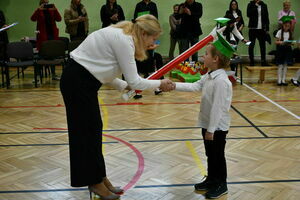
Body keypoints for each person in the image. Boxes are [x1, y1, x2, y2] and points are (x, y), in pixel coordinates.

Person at [60, 14, 174, 200]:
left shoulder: (124, 34)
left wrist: (124, 85)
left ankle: (99, 177)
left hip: (83, 82)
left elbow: (102, 68)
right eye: (153, 39)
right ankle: (95, 183)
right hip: (77, 83)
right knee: (85, 134)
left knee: (94, 129)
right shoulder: (125, 39)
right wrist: (159, 83)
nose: (153, 43)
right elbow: (135, 81)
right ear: (144, 33)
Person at [171, 34, 234, 199]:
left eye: (206, 54)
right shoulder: (209, 75)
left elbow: (218, 108)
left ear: (215, 59)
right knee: (210, 154)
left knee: (218, 155)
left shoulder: (221, 81)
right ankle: (212, 179)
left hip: (217, 127)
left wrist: (211, 130)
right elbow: (193, 86)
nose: (202, 56)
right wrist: (173, 85)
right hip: (208, 124)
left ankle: (222, 184)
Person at [247, 0, 270, 66]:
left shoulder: (264, 5)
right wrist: (255, 5)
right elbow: (248, 14)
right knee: (251, 45)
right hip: (252, 28)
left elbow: (266, 17)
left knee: (263, 46)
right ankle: (251, 61)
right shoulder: (250, 4)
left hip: (261, 29)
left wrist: (267, 28)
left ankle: (263, 61)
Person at [275, 16, 294, 86]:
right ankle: (279, 80)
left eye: (288, 26)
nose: (287, 27)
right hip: (281, 50)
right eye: (286, 26)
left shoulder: (290, 32)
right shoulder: (279, 32)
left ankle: (283, 80)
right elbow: (276, 42)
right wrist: (281, 42)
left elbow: (291, 42)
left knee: (285, 65)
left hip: (288, 50)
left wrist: (291, 43)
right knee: (280, 66)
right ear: (283, 25)